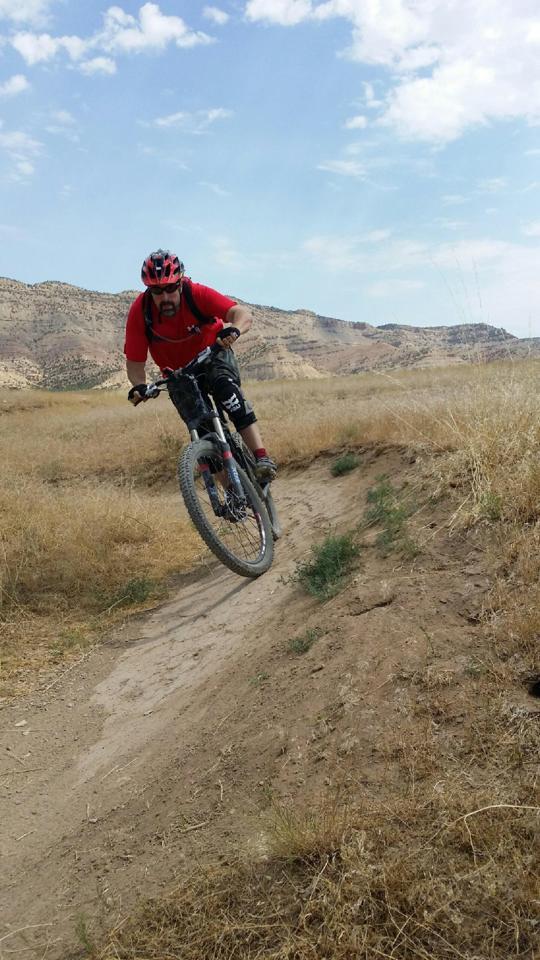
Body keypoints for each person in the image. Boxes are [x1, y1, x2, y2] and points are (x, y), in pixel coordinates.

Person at [124, 249, 277, 482]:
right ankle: (235, 497)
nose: (164, 297)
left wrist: (234, 329)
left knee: (227, 391)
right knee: (204, 434)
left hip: (213, 355)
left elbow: (240, 313)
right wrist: (139, 386)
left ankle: (261, 457)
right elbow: (135, 362)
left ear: (181, 281)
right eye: (156, 290)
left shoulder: (196, 293)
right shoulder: (140, 312)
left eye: (170, 288)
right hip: (179, 374)